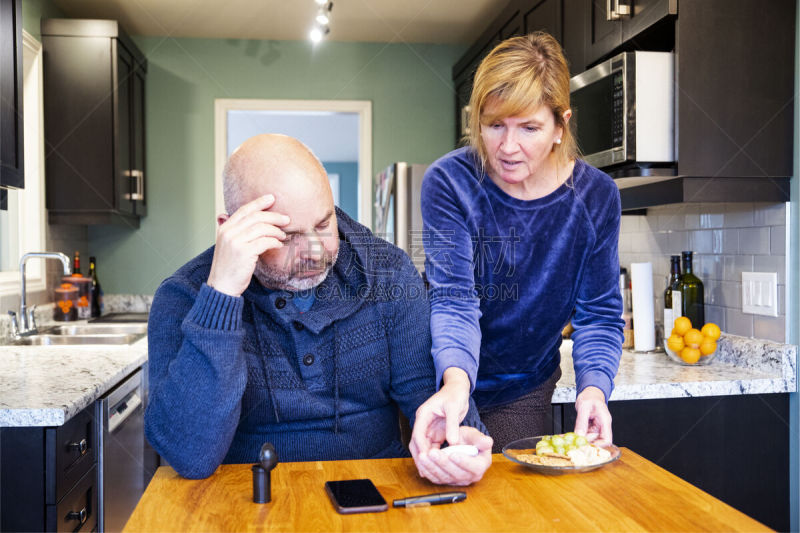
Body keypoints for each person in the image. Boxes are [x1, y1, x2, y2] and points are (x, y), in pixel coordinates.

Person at [145, 134, 492, 484]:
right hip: (244, 497)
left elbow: (431, 400)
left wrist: (461, 444)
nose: (315, 250)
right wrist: (223, 295)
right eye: (288, 235)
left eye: (324, 224)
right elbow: (189, 456)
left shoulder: (388, 273)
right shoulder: (184, 296)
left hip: (375, 490)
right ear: (231, 230)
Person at [410, 32, 624, 476]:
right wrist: (454, 385)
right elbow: (453, 300)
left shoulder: (595, 198)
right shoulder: (450, 182)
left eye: (529, 127)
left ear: (560, 125)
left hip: (522, 386)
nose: (508, 148)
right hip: (439, 377)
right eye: (494, 126)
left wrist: (593, 390)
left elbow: (599, 315)